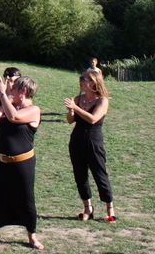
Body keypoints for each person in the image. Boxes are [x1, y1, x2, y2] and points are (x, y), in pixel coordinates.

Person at [0, 75, 43, 250]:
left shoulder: (34, 110)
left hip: (22, 163)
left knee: (26, 199)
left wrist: (3, 94)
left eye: (14, 88)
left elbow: (14, 117)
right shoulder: (9, 105)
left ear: (23, 91)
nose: (11, 90)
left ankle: (32, 236)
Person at [64, 71, 116, 223]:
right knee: (80, 175)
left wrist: (76, 107)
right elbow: (70, 120)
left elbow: (93, 119)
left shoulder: (102, 101)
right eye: (81, 78)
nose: (81, 81)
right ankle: (88, 208)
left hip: (94, 141)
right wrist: (71, 110)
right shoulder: (78, 99)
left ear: (94, 83)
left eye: (84, 79)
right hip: (76, 141)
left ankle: (110, 209)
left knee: (100, 174)